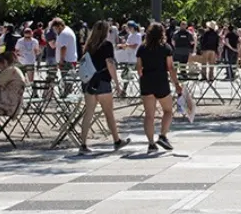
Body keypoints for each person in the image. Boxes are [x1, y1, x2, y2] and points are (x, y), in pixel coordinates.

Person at [78, 20, 130, 153]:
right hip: (103, 81)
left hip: (89, 81)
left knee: (88, 113)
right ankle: (116, 140)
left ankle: (83, 144)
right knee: (108, 113)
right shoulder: (106, 45)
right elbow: (110, 64)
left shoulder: (88, 46)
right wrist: (117, 83)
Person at [135, 22, 184, 153]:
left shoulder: (142, 48)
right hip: (161, 80)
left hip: (146, 81)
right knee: (168, 110)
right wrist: (176, 84)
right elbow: (170, 67)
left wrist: (143, 75)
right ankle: (162, 135)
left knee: (149, 115)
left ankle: (151, 143)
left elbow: (138, 67)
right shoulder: (166, 47)